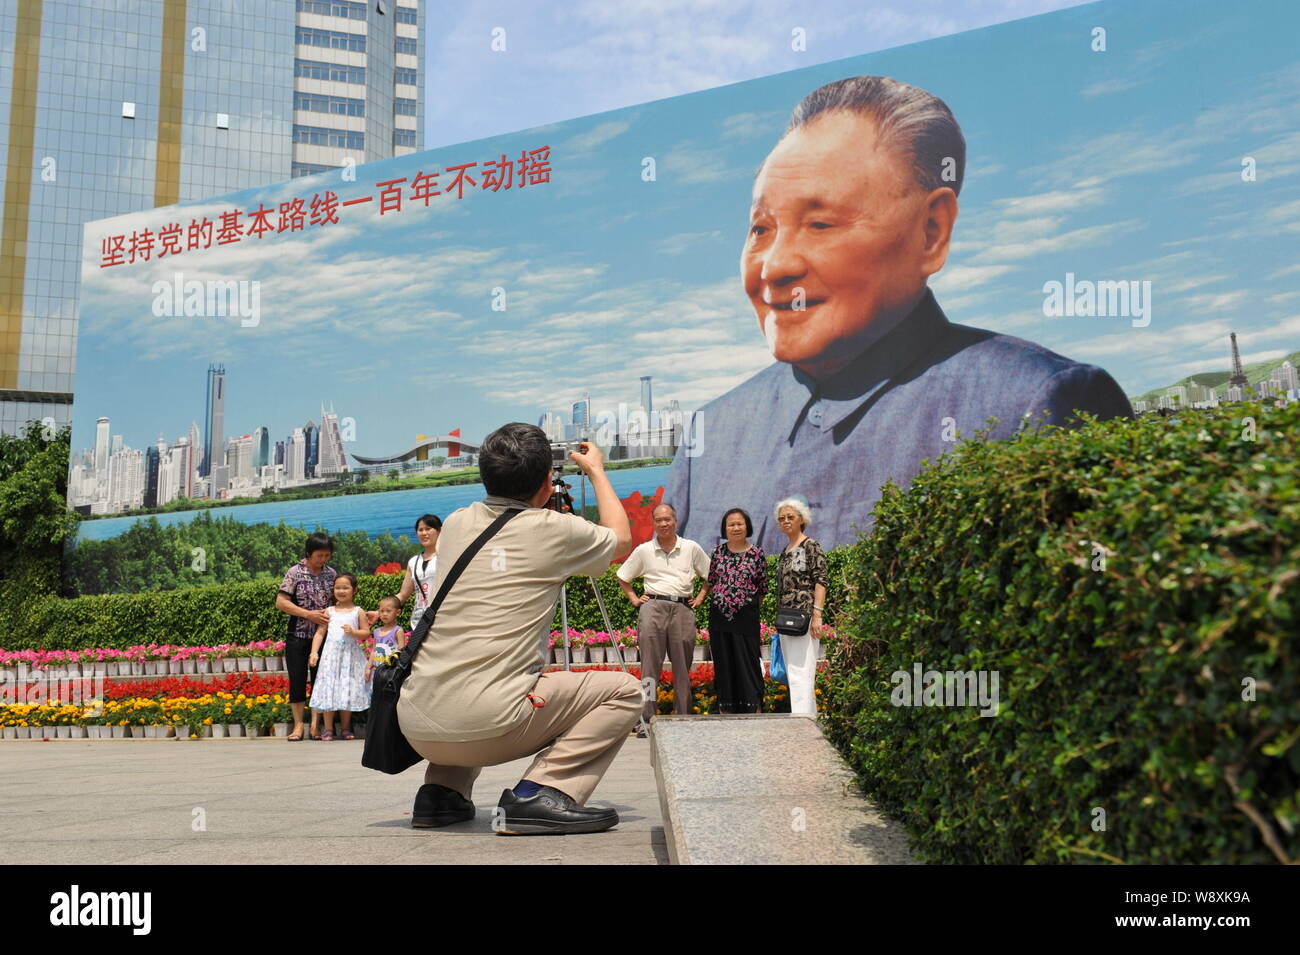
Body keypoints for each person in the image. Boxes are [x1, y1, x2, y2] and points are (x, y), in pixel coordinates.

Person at [666, 74, 1133, 554]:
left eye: (820, 223)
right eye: (761, 229)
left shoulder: (1035, 404)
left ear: (930, 231)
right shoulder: (712, 433)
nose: (776, 265)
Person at [396, 423, 640, 835]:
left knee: (471, 669)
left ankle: (441, 794)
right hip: (490, 724)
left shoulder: (456, 522)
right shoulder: (553, 530)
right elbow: (620, 540)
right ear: (547, 482)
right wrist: (596, 471)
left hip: (417, 722)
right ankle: (540, 794)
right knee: (624, 690)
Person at [615, 504, 710, 730]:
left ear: (675, 521)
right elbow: (623, 576)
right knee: (649, 668)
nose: (664, 524)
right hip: (653, 608)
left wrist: (701, 596)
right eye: (659, 520)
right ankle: (647, 718)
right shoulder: (644, 550)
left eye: (667, 519)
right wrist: (634, 598)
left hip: (682, 608)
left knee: (682, 668)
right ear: (654, 523)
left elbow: (710, 574)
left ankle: (684, 717)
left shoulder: (691, 548)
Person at [276, 533, 337, 742]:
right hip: (298, 634)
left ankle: (315, 725)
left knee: (320, 679)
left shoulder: (331, 574)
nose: (323, 560)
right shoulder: (295, 572)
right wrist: (308, 614)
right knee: (298, 679)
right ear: (308, 553)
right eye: (319, 555)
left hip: (324, 636)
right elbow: (281, 602)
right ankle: (298, 725)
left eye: (327, 555)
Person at [707, 508, 767, 714]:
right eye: (731, 524)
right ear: (725, 528)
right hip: (719, 620)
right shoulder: (717, 553)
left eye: (739, 524)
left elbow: (762, 589)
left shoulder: (757, 554)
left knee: (748, 663)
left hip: (746, 620)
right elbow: (712, 582)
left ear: (747, 526)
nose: (735, 528)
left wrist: (743, 604)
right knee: (724, 664)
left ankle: (754, 707)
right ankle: (726, 707)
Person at [773, 497, 828, 716]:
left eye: (790, 517)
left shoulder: (810, 545)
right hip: (787, 619)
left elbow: (821, 580)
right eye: (781, 518)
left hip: (804, 618)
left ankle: (802, 720)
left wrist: (818, 615)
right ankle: (806, 718)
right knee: (794, 673)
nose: (785, 521)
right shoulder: (787, 549)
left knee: (803, 672)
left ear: (801, 519)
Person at [308, 573, 372, 740]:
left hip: (349, 657)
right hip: (330, 657)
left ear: (354, 590)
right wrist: (314, 652)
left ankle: (345, 728)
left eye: (345, 587)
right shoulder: (329, 611)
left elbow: (366, 633)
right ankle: (328, 729)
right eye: (337, 588)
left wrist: (354, 632)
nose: (341, 591)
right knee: (329, 689)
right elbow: (320, 633)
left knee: (346, 690)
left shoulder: (358, 611)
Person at [396, 514, 440, 635]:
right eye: (420, 530)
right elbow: (403, 595)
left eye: (428, 528)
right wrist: (380, 611)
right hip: (418, 623)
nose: (424, 533)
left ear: (439, 530)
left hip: (442, 620)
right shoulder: (413, 562)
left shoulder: (446, 556)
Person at [366, 595, 407, 682]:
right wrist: (368, 668)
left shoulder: (398, 631)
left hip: (390, 672)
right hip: (376, 671)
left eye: (388, 611)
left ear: (398, 612)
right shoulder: (376, 631)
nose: (384, 614)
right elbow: (374, 650)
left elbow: (401, 652)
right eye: (381, 611)